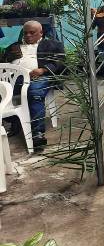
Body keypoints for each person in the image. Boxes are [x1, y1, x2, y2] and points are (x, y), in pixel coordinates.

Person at [2, 21, 65, 151]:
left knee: (34, 91)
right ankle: (15, 122)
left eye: (32, 32)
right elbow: (3, 62)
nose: (28, 35)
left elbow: (61, 63)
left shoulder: (53, 45)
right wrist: (10, 58)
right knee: (4, 92)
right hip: (16, 79)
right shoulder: (14, 47)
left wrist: (43, 70)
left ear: (41, 33)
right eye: (25, 33)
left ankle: (37, 133)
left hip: (40, 77)